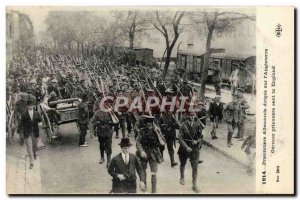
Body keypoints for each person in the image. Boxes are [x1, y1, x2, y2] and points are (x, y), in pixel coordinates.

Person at [136, 115, 165, 193]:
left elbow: (162, 142)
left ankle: (153, 189)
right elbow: (138, 142)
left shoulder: (157, 131)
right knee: (143, 170)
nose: (149, 124)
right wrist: (141, 151)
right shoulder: (142, 131)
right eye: (147, 122)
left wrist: (158, 133)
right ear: (145, 123)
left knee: (154, 172)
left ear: (152, 123)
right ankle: (144, 184)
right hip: (144, 153)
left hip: (153, 153)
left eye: (150, 122)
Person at [178, 114, 203, 193]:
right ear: (187, 116)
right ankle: (182, 177)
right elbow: (180, 138)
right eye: (190, 115)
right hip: (184, 148)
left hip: (194, 148)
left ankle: (194, 185)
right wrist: (186, 147)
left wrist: (197, 141)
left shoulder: (197, 125)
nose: (192, 117)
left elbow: (201, 136)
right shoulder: (182, 126)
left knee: (195, 167)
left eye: (193, 115)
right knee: (183, 163)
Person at [17, 98, 42, 169]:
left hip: (35, 132)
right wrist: (18, 130)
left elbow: (40, 120)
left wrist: (41, 123)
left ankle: (34, 154)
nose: (30, 107)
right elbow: (21, 123)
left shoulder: (36, 113)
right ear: (27, 106)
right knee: (29, 147)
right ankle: (31, 162)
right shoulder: (24, 114)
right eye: (29, 105)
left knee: (35, 146)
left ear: (33, 106)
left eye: (31, 105)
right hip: (27, 132)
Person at [90, 103, 114, 167]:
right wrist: (92, 132)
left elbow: (115, 120)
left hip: (109, 131)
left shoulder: (110, 112)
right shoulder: (97, 113)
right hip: (100, 132)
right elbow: (92, 122)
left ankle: (109, 160)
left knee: (109, 145)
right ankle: (102, 157)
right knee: (102, 145)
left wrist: (112, 112)